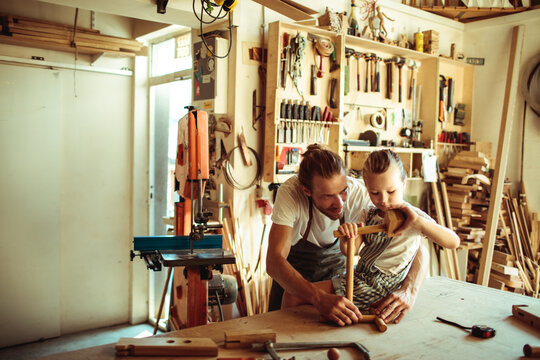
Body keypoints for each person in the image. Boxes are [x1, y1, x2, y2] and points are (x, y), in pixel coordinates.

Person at [281, 149, 460, 319]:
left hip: (379, 284)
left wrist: (419, 223)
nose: (383, 200)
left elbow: (453, 242)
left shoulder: (414, 216)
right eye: (374, 193)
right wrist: (347, 237)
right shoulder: (368, 212)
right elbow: (349, 251)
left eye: (391, 191)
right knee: (292, 295)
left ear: (403, 184)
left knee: (294, 298)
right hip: (361, 276)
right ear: (366, 187)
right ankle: (285, 337)